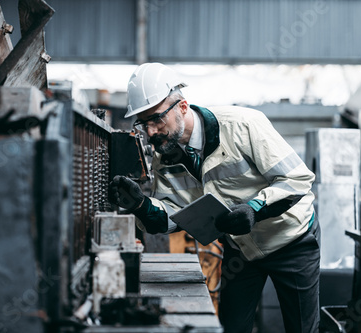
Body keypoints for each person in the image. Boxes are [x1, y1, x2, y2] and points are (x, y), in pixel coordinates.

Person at [108, 62, 320, 333]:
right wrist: (141, 205)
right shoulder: (165, 155)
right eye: (143, 123)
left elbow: (297, 179)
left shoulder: (244, 125)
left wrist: (255, 208)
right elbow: (172, 214)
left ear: (182, 107)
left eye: (157, 119)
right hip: (241, 250)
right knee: (231, 328)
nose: (150, 132)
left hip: (292, 241)